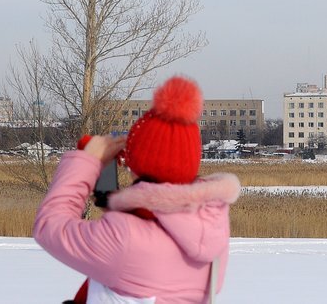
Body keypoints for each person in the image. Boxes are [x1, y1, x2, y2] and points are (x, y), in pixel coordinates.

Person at [34, 76, 240, 304]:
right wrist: (119, 203)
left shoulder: (125, 238)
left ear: (134, 165)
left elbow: (49, 226)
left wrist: (86, 161)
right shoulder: (211, 225)